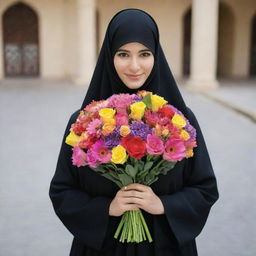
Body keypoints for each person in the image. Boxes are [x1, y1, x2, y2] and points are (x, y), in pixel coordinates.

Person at [49, 9, 219, 256]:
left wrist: (163, 205)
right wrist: (106, 208)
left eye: (144, 54)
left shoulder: (180, 120)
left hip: (166, 247)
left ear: (156, 56)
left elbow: (205, 188)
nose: (135, 66)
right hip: (102, 248)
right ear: (109, 56)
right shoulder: (83, 122)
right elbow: (62, 191)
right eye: (123, 54)